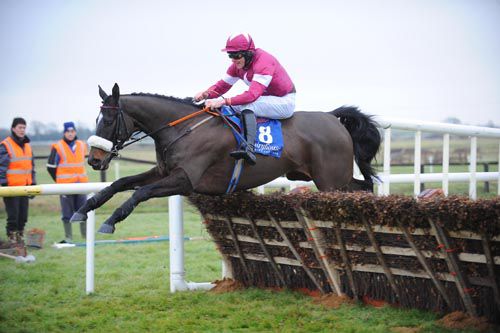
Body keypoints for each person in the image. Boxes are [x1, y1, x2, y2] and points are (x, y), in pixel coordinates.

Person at [194, 33, 296, 165]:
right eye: (230, 55)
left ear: (248, 53)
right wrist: (206, 94)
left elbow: (252, 95)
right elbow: (223, 85)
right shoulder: (237, 66)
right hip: (265, 99)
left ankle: (249, 149)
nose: (233, 60)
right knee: (225, 107)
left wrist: (224, 100)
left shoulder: (264, 62)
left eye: (236, 55)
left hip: (284, 101)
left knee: (246, 106)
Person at [47, 122, 88, 243]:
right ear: (64, 133)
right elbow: (50, 166)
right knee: (67, 213)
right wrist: (59, 181)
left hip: (81, 185)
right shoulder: (57, 146)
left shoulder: (82, 145)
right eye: (68, 132)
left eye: (72, 131)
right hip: (65, 186)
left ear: (75, 132)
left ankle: (85, 237)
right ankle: (68, 237)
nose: (70, 134)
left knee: (83, 211)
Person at [0, 117, 36, 248]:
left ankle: (20, 239)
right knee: (13, 217)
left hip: (25, 188)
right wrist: (4, 186)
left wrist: (33, 184)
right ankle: (12, 240)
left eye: (24, 128)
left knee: (23, 217)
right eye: (20, 127)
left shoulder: (27, 145)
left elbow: (32, 167)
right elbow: (1, 168)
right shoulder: (6, 145)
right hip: (11, 188)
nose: (22, 130)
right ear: (13, 128)